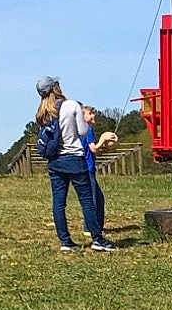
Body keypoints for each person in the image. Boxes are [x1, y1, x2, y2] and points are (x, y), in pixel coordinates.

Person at [34, 77, 115, 252]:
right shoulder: (71, 105)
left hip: (55, 161)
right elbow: (83, 131)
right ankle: (97, 239)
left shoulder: (43, 112)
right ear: (56, 87)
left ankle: (65, 241)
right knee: (87, 201)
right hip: (74, 158)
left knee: (59, 203)